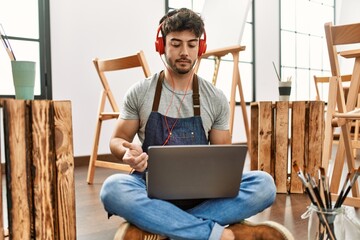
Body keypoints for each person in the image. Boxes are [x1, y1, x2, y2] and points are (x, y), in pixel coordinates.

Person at [100, 8, 294, 240]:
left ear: (200, 48)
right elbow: (116, 141)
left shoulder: (215, 97)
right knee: (113, 189)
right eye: (176, 44)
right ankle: (216, 233)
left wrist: (219, 179)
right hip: (151, 189)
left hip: (204, 193)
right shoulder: (141, 92)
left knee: (264, 185)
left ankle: (160, 227)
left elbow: (223, 160)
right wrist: (127, 154)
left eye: (192, 45)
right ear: (161, 46)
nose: (185, 52)